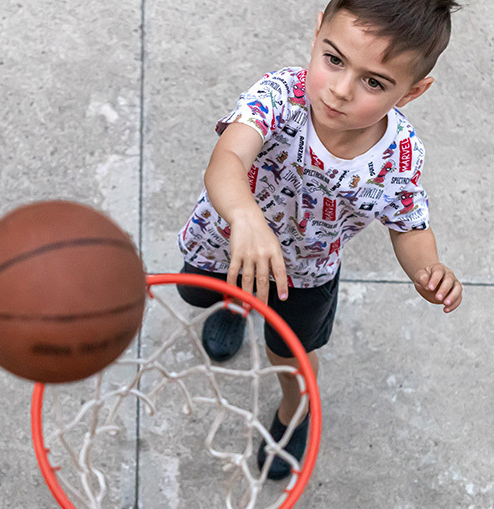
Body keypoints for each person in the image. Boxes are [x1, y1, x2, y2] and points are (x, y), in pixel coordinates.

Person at [177, 0, 463, 480]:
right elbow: (227, 159)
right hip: (226, 239)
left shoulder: (401, 154)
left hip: (305, 274)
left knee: (287, 354)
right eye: (334, 60)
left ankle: (294, 412)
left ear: (412, 92)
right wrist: (245, 217)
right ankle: (236, 304)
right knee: (196, 291)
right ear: (316, 36)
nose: (341, 90)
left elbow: (409, 223)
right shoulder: (279, 97)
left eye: (374, 82)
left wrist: (426, 269)